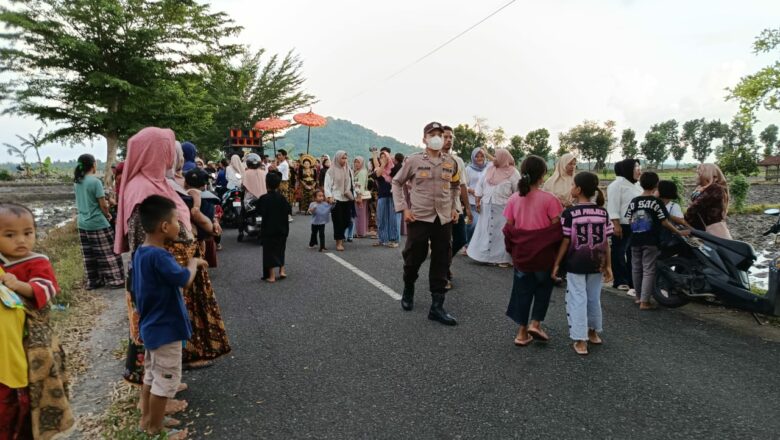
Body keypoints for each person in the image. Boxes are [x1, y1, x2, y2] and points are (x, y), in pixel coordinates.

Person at [116, 127, 230, 387]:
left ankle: (163, 387)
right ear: (155, 153)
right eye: (167, 150)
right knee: (155, 344)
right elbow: (144, 243)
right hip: (159, 282)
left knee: (164, 345)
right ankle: (158, 396)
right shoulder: (142, 191)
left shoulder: (155, 183)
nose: (171, 157)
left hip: (168, 276)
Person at [0, 203, 74, 440]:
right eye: (10, 235)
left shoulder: (37, 261)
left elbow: (47, 288)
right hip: (11, 343)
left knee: (40, 381)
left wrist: (19, 285)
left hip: (34, 338)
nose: (21, 240)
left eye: (28, 233)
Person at [134, 195, 204, 440]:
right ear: (164, 226)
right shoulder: (160, 256)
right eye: (176, 221)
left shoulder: (142, 252)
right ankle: (156, 430)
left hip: (151, 327)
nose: (178, 225)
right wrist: (193, 263)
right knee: (164, 381)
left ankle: (148, 420)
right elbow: (184, 279)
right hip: (166, 329)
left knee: (151, 376)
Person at [392, 122, 460, 326]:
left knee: (442, 260)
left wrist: (455, 207)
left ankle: (437, 307)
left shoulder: (451, 162)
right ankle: (409, 287)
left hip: (443, 219)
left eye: (440, 134)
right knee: (413, 257)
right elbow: (397, 182)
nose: (437, 137)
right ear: (425, 139)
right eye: (433, 134)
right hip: (419, 217)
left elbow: (455, 186)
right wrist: (404, 208)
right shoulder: (413, 161)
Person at [503, 155, 563, 346]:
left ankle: (521, 333)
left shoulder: (514, 199)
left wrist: (512, 249)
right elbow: (557, 229)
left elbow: (509, 228)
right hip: (543, 255)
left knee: (521, 291)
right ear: (542, 175)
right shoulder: (550, 199)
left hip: (522, 254)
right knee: (543, 288)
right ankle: (535, 323)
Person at [552, 172, 613, 356]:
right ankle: (593, 332)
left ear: (578, 189)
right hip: (597, 263)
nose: (571, 188)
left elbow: (566, 241)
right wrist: (608, 266)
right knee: (594, 297)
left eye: (573, 185)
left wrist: (557, 263)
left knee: (577, 298)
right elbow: (606, 242)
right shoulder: (603, 212)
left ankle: (580, 339)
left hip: (576, 262)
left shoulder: (570, 213)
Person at [625, 172, 689, 310]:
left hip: (635, 239)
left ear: (641, 184)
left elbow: (630, 220)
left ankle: (638, 297)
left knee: (636, 268)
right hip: (651, 240)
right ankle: (645, 302)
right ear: (656, 185)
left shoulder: (634, 201)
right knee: (648, 269)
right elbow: (665, 222)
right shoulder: (656, 202)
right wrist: (678, 232)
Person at [73, 153, 125, 289]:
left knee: (90, 255)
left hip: (82, 223)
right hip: (97, 222)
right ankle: (115, 280)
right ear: (93, 165)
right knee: (109, 253)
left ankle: (94, 281)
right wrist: (108, 215)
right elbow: (102, 205)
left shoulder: (77, 181)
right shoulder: (95, 182)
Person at [467, 148, 520, 267]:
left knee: (501, 234)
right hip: (486, 206)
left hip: (503, 208)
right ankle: (484, 257)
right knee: (485, 231)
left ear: (503, 158)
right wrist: (478, 200)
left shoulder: (513, 172)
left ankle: (502, 259)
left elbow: (518, 191)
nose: (494, 159)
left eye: (496, 157)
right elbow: (480, 185)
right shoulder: (489, 169)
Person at [442, 126, 473, 287]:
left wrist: (467, 207)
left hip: (455, 207)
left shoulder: (458, 161)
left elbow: (462, 186)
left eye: (451, 137)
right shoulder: (430, 160)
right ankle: (442, 273)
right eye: (445, 137)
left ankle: (444, 264)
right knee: (444, 241)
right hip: (439, 209)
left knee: (461, 239)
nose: (449, 140)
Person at [606, 158, 642, 291]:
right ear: (628, 169)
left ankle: (632, 280)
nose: (639, 170)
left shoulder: (637, 185)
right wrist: (616, 224)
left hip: (637, 224)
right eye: (636, 168)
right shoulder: (617, 185)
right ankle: (620, 280)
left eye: (639, 167)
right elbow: (613, 205)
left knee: (633, 253)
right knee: (619, 252)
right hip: (622, 224)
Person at [256, 172, 291, 282]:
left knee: (269, 251)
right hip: (282, 228)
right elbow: (289, 210)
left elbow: (259, 211)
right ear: (279, 184)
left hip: (268, 229)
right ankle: (282, 270)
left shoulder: (263, 198)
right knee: (281, 249)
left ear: (266, 184)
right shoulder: (282, 198)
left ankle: (271, 276)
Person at [685, 163, 731, 239]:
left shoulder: (715, 189)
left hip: (714, 232)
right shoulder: (702, 188)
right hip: (706, 230)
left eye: (698, 173)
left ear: (706, 175)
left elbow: (694, 208)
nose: (695, 176)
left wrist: (680, 219)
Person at [324, 151, 356, 252]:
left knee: (347, 221)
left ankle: (341, 236)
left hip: (347, 198)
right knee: (338, 221)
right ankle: (339, 242)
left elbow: (352, 184)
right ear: (337, 158)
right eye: (342, 158)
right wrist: (329, 196)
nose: (344, 160)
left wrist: (355, 195)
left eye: (346, 158)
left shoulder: (348, 169)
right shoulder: (331, 170)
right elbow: (327, 186)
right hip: (336, 198)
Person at [374, 148, 399, 247]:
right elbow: (377, 175)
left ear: (389, 157)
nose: (383, 158)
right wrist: (383, 164)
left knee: (392, 219)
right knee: (381, 218)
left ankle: (394, 240)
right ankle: (382, 239)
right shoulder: (378, 169)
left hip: (392, 196)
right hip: (382, 196)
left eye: (385, 157)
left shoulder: (393, 168)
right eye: (381, 157)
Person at [464, 147, 488, 245]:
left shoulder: (488, 168)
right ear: (473, 157)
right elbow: (463, 185)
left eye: (482, 156)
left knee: (485, 226)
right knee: (473, 224)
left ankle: (478, 246)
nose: (479, 158)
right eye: (477, 156)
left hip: (485, 202)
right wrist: (471, 190)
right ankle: (468, 243)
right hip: (472, 202)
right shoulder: (468, 169)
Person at [352, 156, 370, 238]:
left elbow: (360, 185)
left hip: (360, 195)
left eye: (358, 162)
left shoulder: (362, 172)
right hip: (359, 195)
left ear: (362, 163)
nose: (356, 164)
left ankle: (360, 232)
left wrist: (359, 197)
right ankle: (362, 231)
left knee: (360, 214)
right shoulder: (359, 171)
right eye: (355, 162)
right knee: (361, 213)